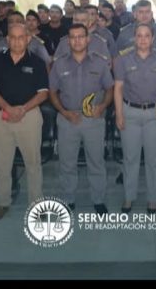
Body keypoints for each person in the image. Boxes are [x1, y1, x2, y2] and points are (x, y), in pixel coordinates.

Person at [0, 23, 49, 221]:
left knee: (33, 163)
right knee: (2, 163)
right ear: (7, 39)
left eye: (21, 37)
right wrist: (8, 108)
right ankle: (3, 202)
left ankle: (36, 204)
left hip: (29, 116)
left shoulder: (37, 62)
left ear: (28, 39)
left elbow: (43, 93)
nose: (17, 41)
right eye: (12, 37)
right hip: (2, 116)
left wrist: (22, 109)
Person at [114, 23, 156, 214]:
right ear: (134, 38)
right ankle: (129, 197)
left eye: (147, 36)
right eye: (139, 36)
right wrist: (119, 113)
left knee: (154, 159)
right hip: (130, 112)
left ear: (152, 39)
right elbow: (118, 88)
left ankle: (153, 199)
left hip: (155, 114)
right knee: (130, 158)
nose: (143, 39)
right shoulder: (123, 59)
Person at [49, 23, 114, 214]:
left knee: (96, 162)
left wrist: (102, 106)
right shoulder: (59, 64)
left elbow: (110, 89)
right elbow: (52, 91)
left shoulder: (100, 63)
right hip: (68, 119)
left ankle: (98, 200)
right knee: (67, 162)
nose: (77, 41)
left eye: (80, 36)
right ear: (68, 41)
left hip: (93, 119)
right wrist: (63, 111)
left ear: (88, 39)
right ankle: (68, 199)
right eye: (73, 37)